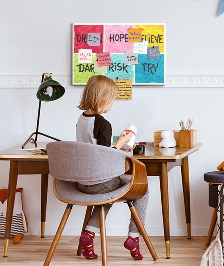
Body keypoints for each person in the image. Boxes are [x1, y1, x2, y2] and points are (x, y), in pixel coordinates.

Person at [76, 75, 149, 260]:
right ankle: (134, 237)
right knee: (142, 189)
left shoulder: (81, 120)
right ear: (103, 99)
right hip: (99, 182)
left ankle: (89, 235)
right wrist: (122, 143)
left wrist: (119, 145)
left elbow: (94, 149)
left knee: (107, 194)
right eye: (112, 99)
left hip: (82, 182)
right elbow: (105, 156)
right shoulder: (103, 124)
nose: (112, 103)